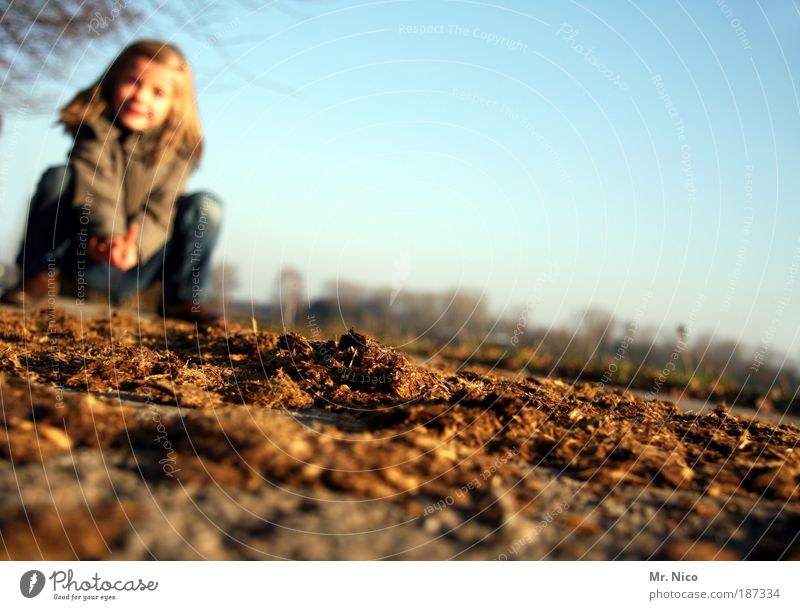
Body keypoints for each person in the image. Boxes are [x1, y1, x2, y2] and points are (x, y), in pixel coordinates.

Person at [1, 40, 223, 322]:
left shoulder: (178, 150)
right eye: (133, 81)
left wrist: (134, 245)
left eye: (158, 92)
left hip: (140, 263)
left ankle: (181, 298)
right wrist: (110, 236)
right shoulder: (93, 127)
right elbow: (96, 183)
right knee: (59, 178)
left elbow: (162, 208)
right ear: (113, 78)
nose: (140, 97)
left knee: (207, 206)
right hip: (87, 252)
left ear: (174, 104)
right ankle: (39, 275)